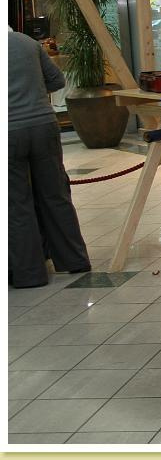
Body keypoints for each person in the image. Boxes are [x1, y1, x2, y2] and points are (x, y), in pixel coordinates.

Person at [8, 27, 90, 288]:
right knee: (55, 194)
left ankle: (29, 274)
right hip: (44, 125)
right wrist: (32, 90)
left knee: (16, 203)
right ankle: (75, 260)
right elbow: (57, 80)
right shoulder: (27, 43)